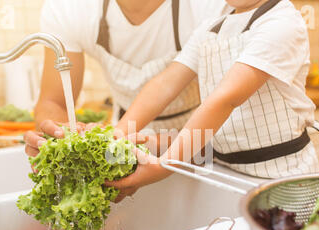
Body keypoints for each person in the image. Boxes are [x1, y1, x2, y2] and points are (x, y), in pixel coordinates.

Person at [106, 0, 319, 202]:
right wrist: (118, 134)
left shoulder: (282, 23)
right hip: (225, 173)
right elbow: (166, 83)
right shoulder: (213, 24)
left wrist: (165, 165)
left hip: (281, 178)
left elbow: (225, 99)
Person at [24, 0, 232, 157]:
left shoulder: (211, 5)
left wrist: (159, 148)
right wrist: (59, 140)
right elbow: (52, 101)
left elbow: (234, 105)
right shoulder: (70, 7)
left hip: (202, 137)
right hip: (122, 135)